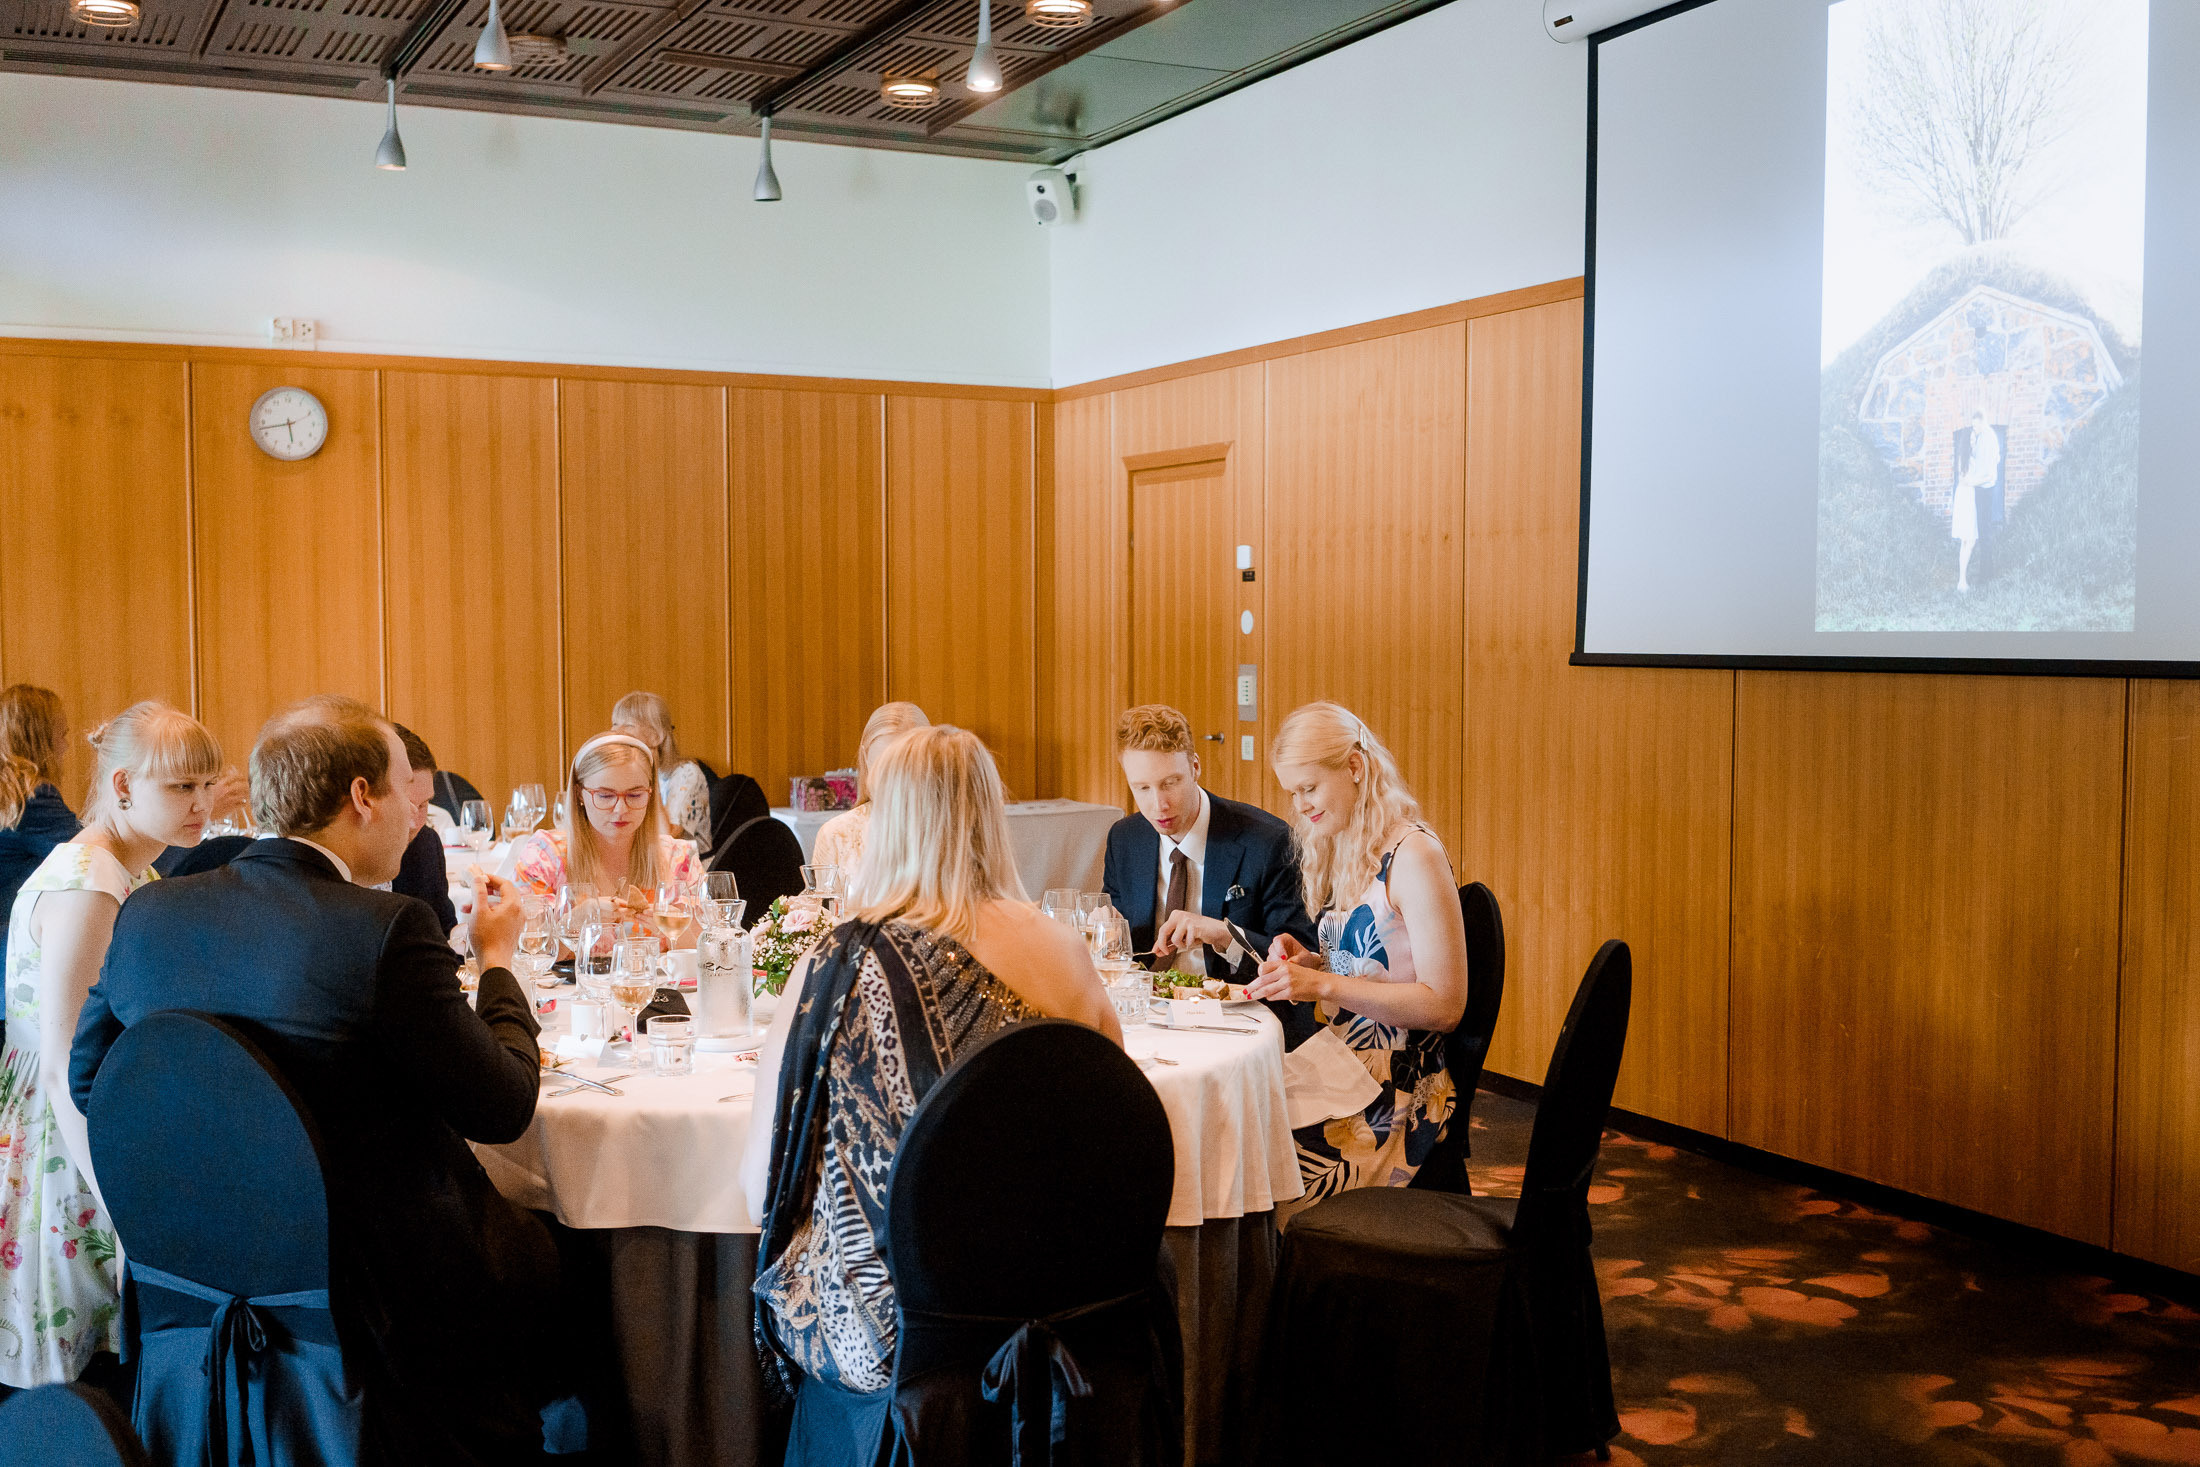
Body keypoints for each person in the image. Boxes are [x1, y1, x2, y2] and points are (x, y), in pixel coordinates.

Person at [69, 695, 556, 1464]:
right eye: (407, 792)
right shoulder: (382, 929)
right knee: (568, 1255)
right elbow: (503, 1104)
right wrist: (499, 963)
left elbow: (95, 1082)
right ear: (363, 797)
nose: (418, 818)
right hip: (380, 1302)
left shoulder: (152, 914)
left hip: (191, 1290)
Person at [743, 726, 1121, 1458]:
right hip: (1048, 1302)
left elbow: (761, 1181)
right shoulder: (1065, 951)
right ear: (991, 814)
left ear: (884, 820)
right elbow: (1107, 1130)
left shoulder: (835, 962)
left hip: (891, 1330)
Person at [1, 702, 220, 1388]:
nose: (202, 803)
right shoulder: (91, 882)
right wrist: (124, 1210)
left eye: (207, 783)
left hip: (88, 1118)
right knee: (89, 1386)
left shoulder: (124, 869)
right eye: (181, 786)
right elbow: (71, 1064)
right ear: (123, 787)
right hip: (65, 1143)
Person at [1249, 702, 1467, 1209]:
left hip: (1400, 1091)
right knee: (1235, 1137)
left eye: (1309, 788)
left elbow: (1445, 1005)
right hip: (1344, 1066)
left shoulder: (1414, 856)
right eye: (1292, 793)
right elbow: (1377, 966)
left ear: (1354, 766)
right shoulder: (1350, 846)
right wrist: (1312, 963)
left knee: (1263, 1181)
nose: (1300, 806)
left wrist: (1323, 986)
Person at [1101, 704, 1316, 985]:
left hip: (1241, 1011)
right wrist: (1105, 932)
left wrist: (1224, 935)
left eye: (1170, 783)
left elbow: (1300, 959)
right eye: (1142, 788)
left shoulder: (1269, 841)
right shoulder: (1125, 839)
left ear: (1195, 767)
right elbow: (1120, 949)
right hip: (1148, 1008)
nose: (1159, 805)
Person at [511, 730, 703, 903]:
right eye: (605, 796)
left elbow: (707, 937)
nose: (620, 809)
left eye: (635, 795)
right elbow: (529, 939)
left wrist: (661, 926)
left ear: (651, 794)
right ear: (579, 794)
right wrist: (581, 921)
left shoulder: (679, 861)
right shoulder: (544, 857)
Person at [811, 701, 929, 883]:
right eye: (882, 768)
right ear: (866, 759)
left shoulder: (955, 833)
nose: (894, 782)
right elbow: (824, 910)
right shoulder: (836, 835)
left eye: (907, 767)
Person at [0, 685, 82, 940]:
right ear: (41, 739)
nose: (67, 746)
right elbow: (87, 855)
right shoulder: (31, 796)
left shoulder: (10, 791)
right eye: (62, 735)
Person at [613, 691, 710, 845]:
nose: (616, 732)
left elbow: (668, 837)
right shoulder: (627, 773)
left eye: (628, 725)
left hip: (688, 863)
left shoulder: (687, 774)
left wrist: (649, 773)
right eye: (615, 724)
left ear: (655, 736)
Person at [390, 724, 459, 935]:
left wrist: (467, 935)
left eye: (424, 804)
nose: (416, 823)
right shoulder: (339, 858)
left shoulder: (426, 844)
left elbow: (443, 928)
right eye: (408, 806)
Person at [1953, 410, 2000, 595]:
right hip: (1968, 497)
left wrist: (1975, 481)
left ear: (1982, 422)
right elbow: (1965, 479)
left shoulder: (1986, 440)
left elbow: (1990, 471)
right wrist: (1972, 482)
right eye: (1971, 436)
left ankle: (1975, 576)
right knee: (1969, 540)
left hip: (1975, 494)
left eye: (1975, 427)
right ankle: (1963, 580)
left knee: (1973, 538)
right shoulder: (1967, 456)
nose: (1974, 435)